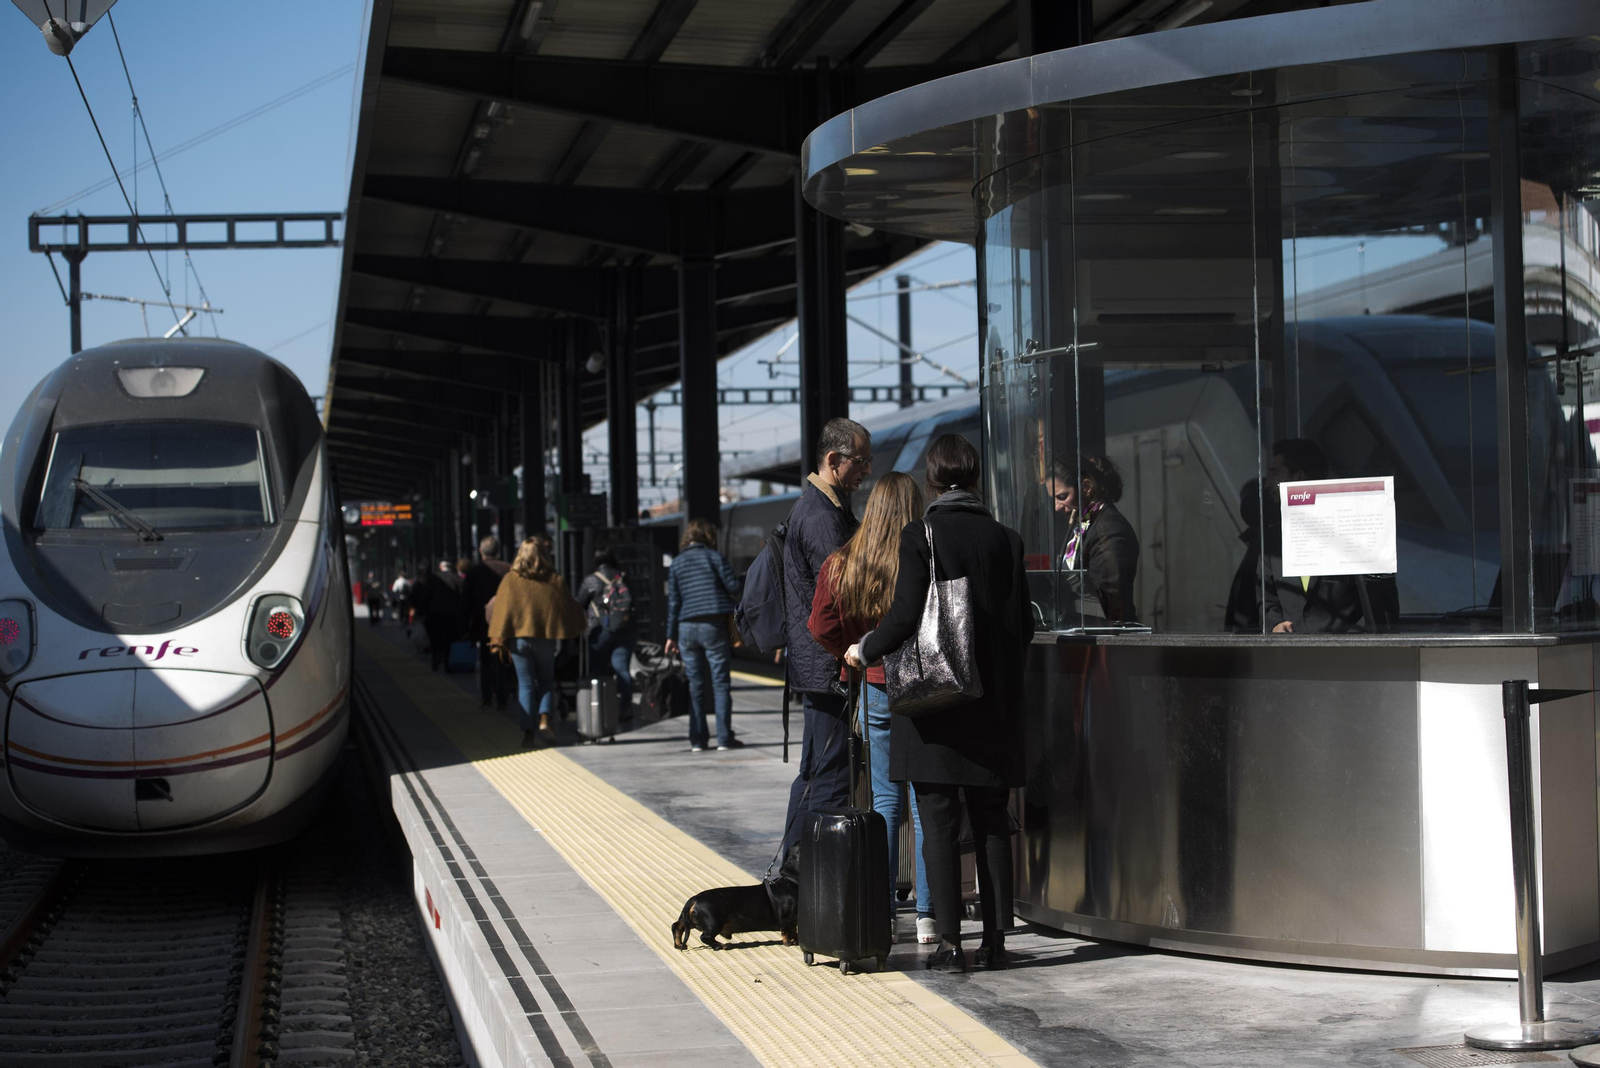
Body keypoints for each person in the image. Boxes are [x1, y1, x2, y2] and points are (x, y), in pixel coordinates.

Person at [848, 434, 1032, 972]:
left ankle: (950, 943)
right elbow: (1024, 625)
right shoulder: (1007, 540)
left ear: (932, 480)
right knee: (992, 821)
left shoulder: (921, 535)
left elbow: (906, 615)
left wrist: (866, 649)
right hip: (992, 707)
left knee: (939, 823)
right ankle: (995, 939)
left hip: (936, 705)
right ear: (975, 478)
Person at [807, 471, 937, 944]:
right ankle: (927, 915)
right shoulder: (925, 555)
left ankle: (880, 911)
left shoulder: (845, 561)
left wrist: (852, 651)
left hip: (876, 686)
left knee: (884, 801)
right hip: (923, 688)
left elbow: (820, 625)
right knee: (924, 806)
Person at [779, 417, 873, 859]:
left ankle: (793, 875)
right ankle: (817, 880)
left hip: (816, 664)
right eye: (861, 461)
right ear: (834, 460)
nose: (867, 470)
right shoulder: (822, 517)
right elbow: (839, 596)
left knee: (814, 773)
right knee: (831, 779)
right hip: (828, 666)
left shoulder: (820, 507)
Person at [1259, 438, 1398, 633]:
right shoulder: (1273, 537)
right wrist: (1274, 624)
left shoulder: (1353, 527)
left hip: (1347, 649)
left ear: (1299, 477)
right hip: (1290, 649)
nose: (1267, 484)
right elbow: (1266, 598)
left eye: (1275, 474)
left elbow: (1379, 605)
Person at [488, 536, 586, 748]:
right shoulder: (554, 580)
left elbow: (501, 611)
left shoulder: (510, 580)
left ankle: (528, 734)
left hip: (519, 640)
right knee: (546, 681)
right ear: (544, 554)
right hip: (545, 638)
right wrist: (579, 625)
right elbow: (568, 607)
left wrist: (498, 635)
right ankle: (544, 719)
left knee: (525, 684)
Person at [665, 519, 743, 752]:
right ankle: (724, 739)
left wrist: (670, 636)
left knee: (695, 686)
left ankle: (698, 741)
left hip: (686, 629)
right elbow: (733, 587)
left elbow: (674, 602)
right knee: (720, 684)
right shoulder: (715, 557)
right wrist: (744, 577)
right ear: (708, 536)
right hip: (712, 626)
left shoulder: (677, 563)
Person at [1046, 454, 1140, 624]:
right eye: (1054, 499)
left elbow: (1105, 599)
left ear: (1086, 487)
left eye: (1062, 497)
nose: (1057, 507)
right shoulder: (1085, 526)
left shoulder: (1109, 529)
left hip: (1108, 632)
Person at [575, 548, 637, 718]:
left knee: (598, 671)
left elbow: (578, 604)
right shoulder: (623, 577)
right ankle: (626, 707)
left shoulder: (591, 580)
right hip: (625, 630)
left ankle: (601, 708)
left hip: (599, 630)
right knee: (622, 669)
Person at [462, 536, 512, 712]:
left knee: (485, 661)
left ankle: (487, 697)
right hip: (505, 623)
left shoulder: (474, 572)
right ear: (497, 551)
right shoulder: (508, 569)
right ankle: (503, 699)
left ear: (481, 551)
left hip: (482, 624)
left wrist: (466, 626)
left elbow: (466, 600)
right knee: (503, 660)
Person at [414, 559, 464, 671]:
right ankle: (448, 662)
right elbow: (463, 598)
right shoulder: (458, 579)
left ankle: (436, 658)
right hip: (452, 615)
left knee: (436, 638)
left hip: (434, 615)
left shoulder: (433, 579)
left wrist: (420, 612)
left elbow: (425, 597)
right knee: (450, 639)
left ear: (441, 567)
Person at [390, 569, 414, 637]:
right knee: (406, 610)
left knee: (401, 609)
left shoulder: (398, 581)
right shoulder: (407, 582)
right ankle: (406, 620)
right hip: (407, 598)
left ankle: (402, 620)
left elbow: (394, 589)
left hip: (401, 597)